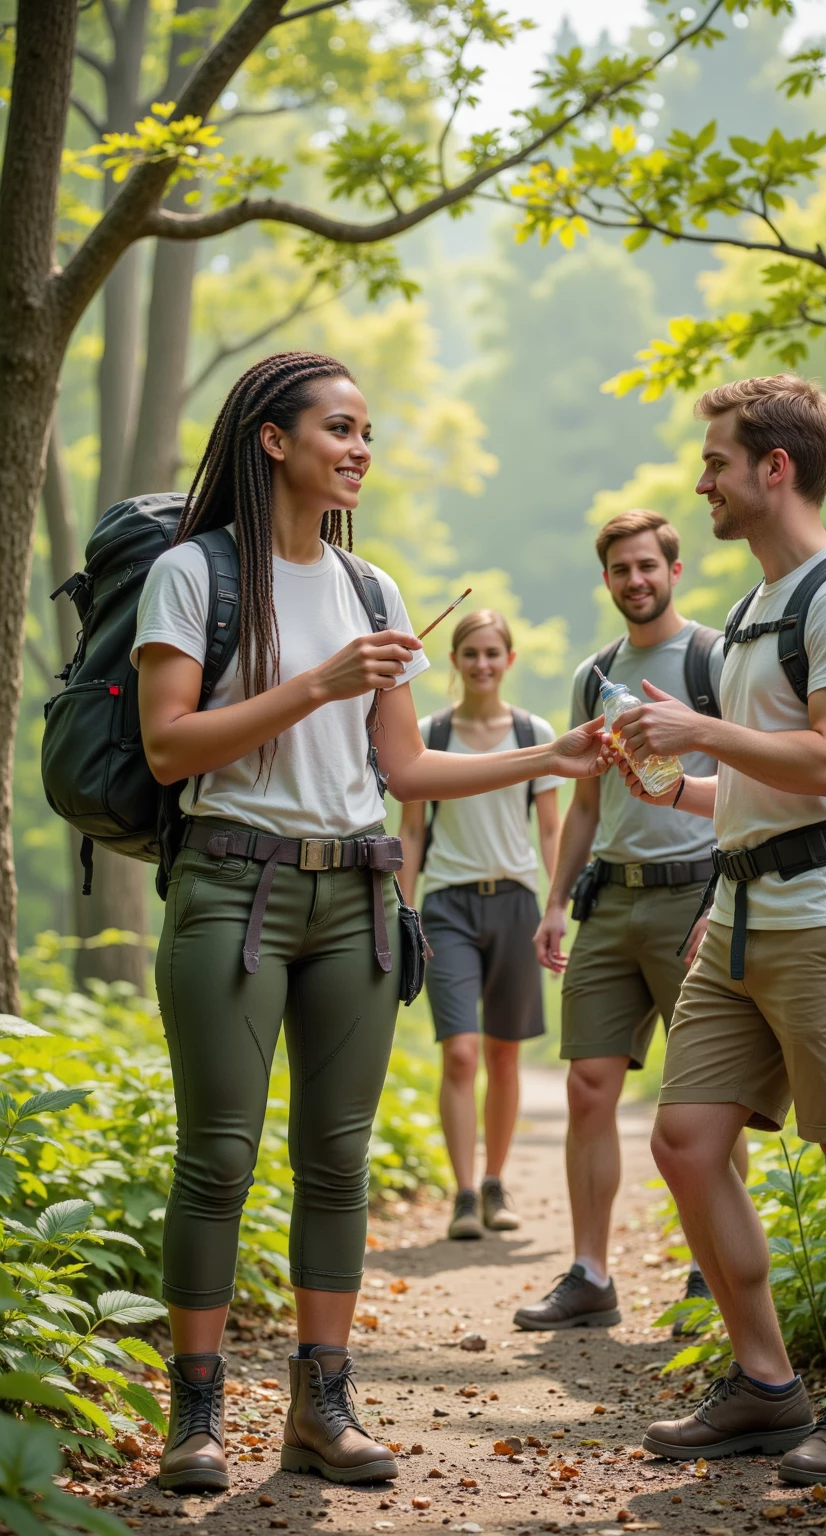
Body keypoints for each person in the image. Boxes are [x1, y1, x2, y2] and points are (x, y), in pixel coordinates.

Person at [133, 351, 609, 1494]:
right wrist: (317, 684)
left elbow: (402, 762)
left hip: (358, 896)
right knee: (218, 1158)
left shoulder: (374, 589)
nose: (358, 449)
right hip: (229, 889)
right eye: (339, 428)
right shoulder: (194, 575)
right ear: (273, 440)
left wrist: (549, 754)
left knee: (337, 1161)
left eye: (368, 434)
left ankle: (322, 1402)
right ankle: (193, 1419)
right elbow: (167, 746)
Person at [612, 376, 826, 1484]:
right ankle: (767, 1386)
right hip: (740, 915)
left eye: (715, 462)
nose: (702, 481)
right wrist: (671, 788)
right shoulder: (754, 608)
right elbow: (761, 784)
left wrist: (697, 727)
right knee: (688, 1142)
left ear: (772, 469)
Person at [515, 509, 747, 1333]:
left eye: (649, 565)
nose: (636, 580)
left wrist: (727, 896)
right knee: (587, 1087)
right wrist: (553, 900)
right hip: (609, 901)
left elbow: (752, 786)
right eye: (621, 569)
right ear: (607, 579)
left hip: (698, 894)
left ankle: (710, 1271)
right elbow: (585, 802)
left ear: (673, 569)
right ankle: (589, 1273)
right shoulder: (596, 674)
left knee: (713, 1092)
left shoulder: (717, 657)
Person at [399, 609, 562, 1240]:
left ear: (509, 660)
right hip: (446, 906)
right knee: (461, 1053)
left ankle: (496, 1182)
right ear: (455, 660)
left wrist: (556, 903)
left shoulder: (534, 731)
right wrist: (403, 912)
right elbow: (410, 831)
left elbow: (550, 828)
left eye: (493, 653)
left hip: (517, 902)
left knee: (503, 1052)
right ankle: (463, 1193)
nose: (483, 664)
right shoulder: (428, 733)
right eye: (471, 653)